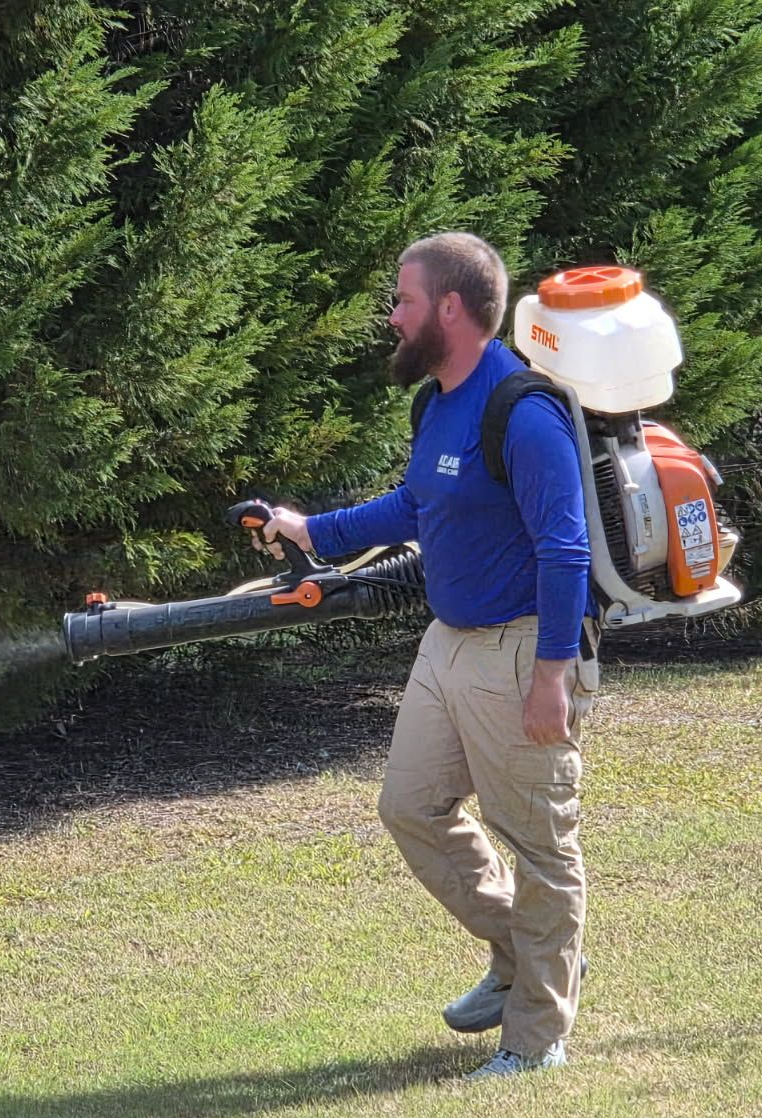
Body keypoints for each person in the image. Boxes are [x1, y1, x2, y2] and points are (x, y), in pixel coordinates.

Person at [255, 232, 598, 1080]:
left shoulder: (521, 410)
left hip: (525, 648)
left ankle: (535, 1037)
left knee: (540, 846)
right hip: (448, 644)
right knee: (409, 805)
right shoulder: (438, 402)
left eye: (403, 301)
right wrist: (313, 531)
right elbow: (417, 502)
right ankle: (527, 950)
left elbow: (565, 551)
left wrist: (552, 676)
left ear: (450, 308)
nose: (393, 316)